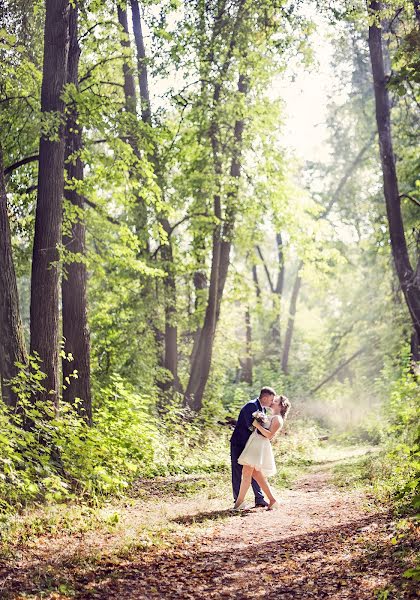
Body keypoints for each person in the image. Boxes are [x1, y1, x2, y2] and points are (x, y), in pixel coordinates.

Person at [233, 395, 291, 511]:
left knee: (247, 472)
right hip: (255, 443)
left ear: (281, 405)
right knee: (255, 475)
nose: (273, 401)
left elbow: (269, 435)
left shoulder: (278, 419)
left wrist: (257, 425)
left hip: (259, 446)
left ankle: (239, 503)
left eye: (276, 400)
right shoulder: (273, 416)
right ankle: (272, 500)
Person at [230, 386, 276, 508]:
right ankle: (238, 500)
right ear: (265, 397)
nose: (272, 403)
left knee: (255, 470)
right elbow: (251, 426)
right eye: (271, 400)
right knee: (238, 471)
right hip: (240, 443)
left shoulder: (262, 410)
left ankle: (259, 499)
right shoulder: (251, 406)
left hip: (251, 445)